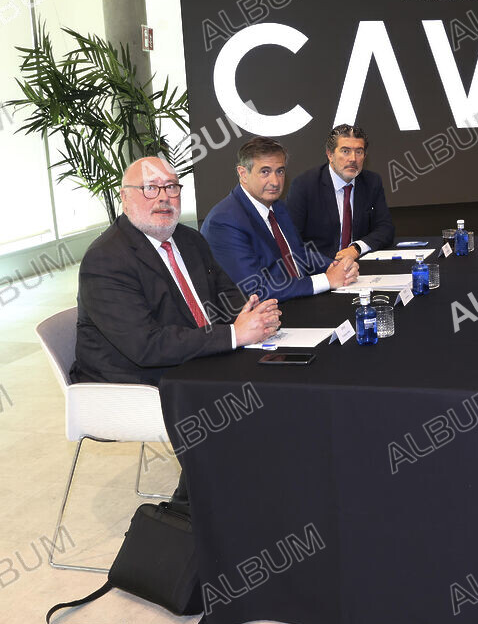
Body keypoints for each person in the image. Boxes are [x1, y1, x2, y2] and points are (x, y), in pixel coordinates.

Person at [71, 157, 282, 505]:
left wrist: (252, 315)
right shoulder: (106, 260)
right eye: (150, 188)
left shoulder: (188, 239)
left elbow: (227, 294)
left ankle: (264, 490)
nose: (164, 198)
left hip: (188, 356)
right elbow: (145, 346)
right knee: (226, 403)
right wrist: (234, 335)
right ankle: (197, 513)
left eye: (171, 187)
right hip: (129, 379)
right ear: (125, 198)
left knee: (277, 377)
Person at [201, 137, 359, 302]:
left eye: (280, 171)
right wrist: (327, 280)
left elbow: (297, 252)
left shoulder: (277, 206)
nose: (275, 182)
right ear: (243, 174)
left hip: (298, 303)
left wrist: (335, 267)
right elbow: (255, 289)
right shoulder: (223, 221)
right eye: (265, 172)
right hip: (265, 316)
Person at [287, 124, 395, 262]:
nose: (353, 159)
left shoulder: (371, 182)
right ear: (330, 154)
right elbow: (291, 242)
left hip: (359, 267)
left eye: (359, 152)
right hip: (320, 270)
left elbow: (385, 229)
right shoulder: (304, 185)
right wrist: (330, 266)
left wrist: (357, 248)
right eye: (345, 151)